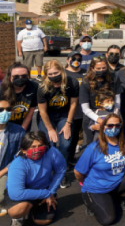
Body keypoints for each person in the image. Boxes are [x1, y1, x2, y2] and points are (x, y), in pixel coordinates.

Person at [74, 113, 125, 226]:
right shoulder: (93, 148)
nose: (114, 128)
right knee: (108, 220)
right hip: (97, 188)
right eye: (110, 125)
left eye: (117, 126)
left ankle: (116, 195)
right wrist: (84, 183)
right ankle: (89, 201)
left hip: (117, 181)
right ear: (103, 127)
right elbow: (78, 172)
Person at [5, 131, 66, 226]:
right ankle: (19, 219)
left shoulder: (52, 152)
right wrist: (46, 194)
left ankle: (33, 207)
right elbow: (16, 193)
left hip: (45, 189)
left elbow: (61, 170)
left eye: (40, 145)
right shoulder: (18, 164)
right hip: (25, 192)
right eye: (33, 146)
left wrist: (51, 191)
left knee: (42, 221)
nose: (37, 150)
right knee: (16, 211)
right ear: (23, 150)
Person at [37, 60, 78, 188]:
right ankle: (49, 172)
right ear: (46, 75)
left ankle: (62, 173)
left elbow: (73, 104)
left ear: (62, 71)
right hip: (48, 116)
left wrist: (68, 124)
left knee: (66, 144)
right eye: (51, 74)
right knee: (50, 144)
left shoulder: (72, 83)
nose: (54, 75)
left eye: (56, 72)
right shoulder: (43, 88)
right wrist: (50, 129)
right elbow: (42, 111)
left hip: (64, 115)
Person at [80, 56, 118, 147]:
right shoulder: (86, 82)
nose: (101, 70)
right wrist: (99, 121)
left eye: (104, 68)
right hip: (92, 117)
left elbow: (118, 102)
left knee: (111, 144)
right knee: (92, 146)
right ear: (92, 69)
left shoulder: (113, 79)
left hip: (110, 114)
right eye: (98, 68)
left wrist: (112, 119)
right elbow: (85, 108)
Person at [0, 99, 26, 216]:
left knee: (1, 196)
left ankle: (3, 201)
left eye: (8, 109)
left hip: (5, 171)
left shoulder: (18, 130)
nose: (5, 112)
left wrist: (2, 172)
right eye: (1, 110)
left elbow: (20, 155)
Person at [2, 62, 37, 130]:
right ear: (9, 77)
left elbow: (30, 112)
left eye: (24, 76)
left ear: (28, 76)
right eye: (16, 77)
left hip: (23, 124)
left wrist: (22, 130)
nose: (20, 78)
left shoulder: (34, 87)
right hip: (4, 124)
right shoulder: (2, 90)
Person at [64, 52, 84, 157]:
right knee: (66, 137)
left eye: (79, 59)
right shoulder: (63, 73)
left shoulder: (86, 73)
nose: (76, 60)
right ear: (68, 60)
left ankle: (71, 158)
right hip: (67, 109)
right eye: (73, 58)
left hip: (81, 110)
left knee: (76, 135)